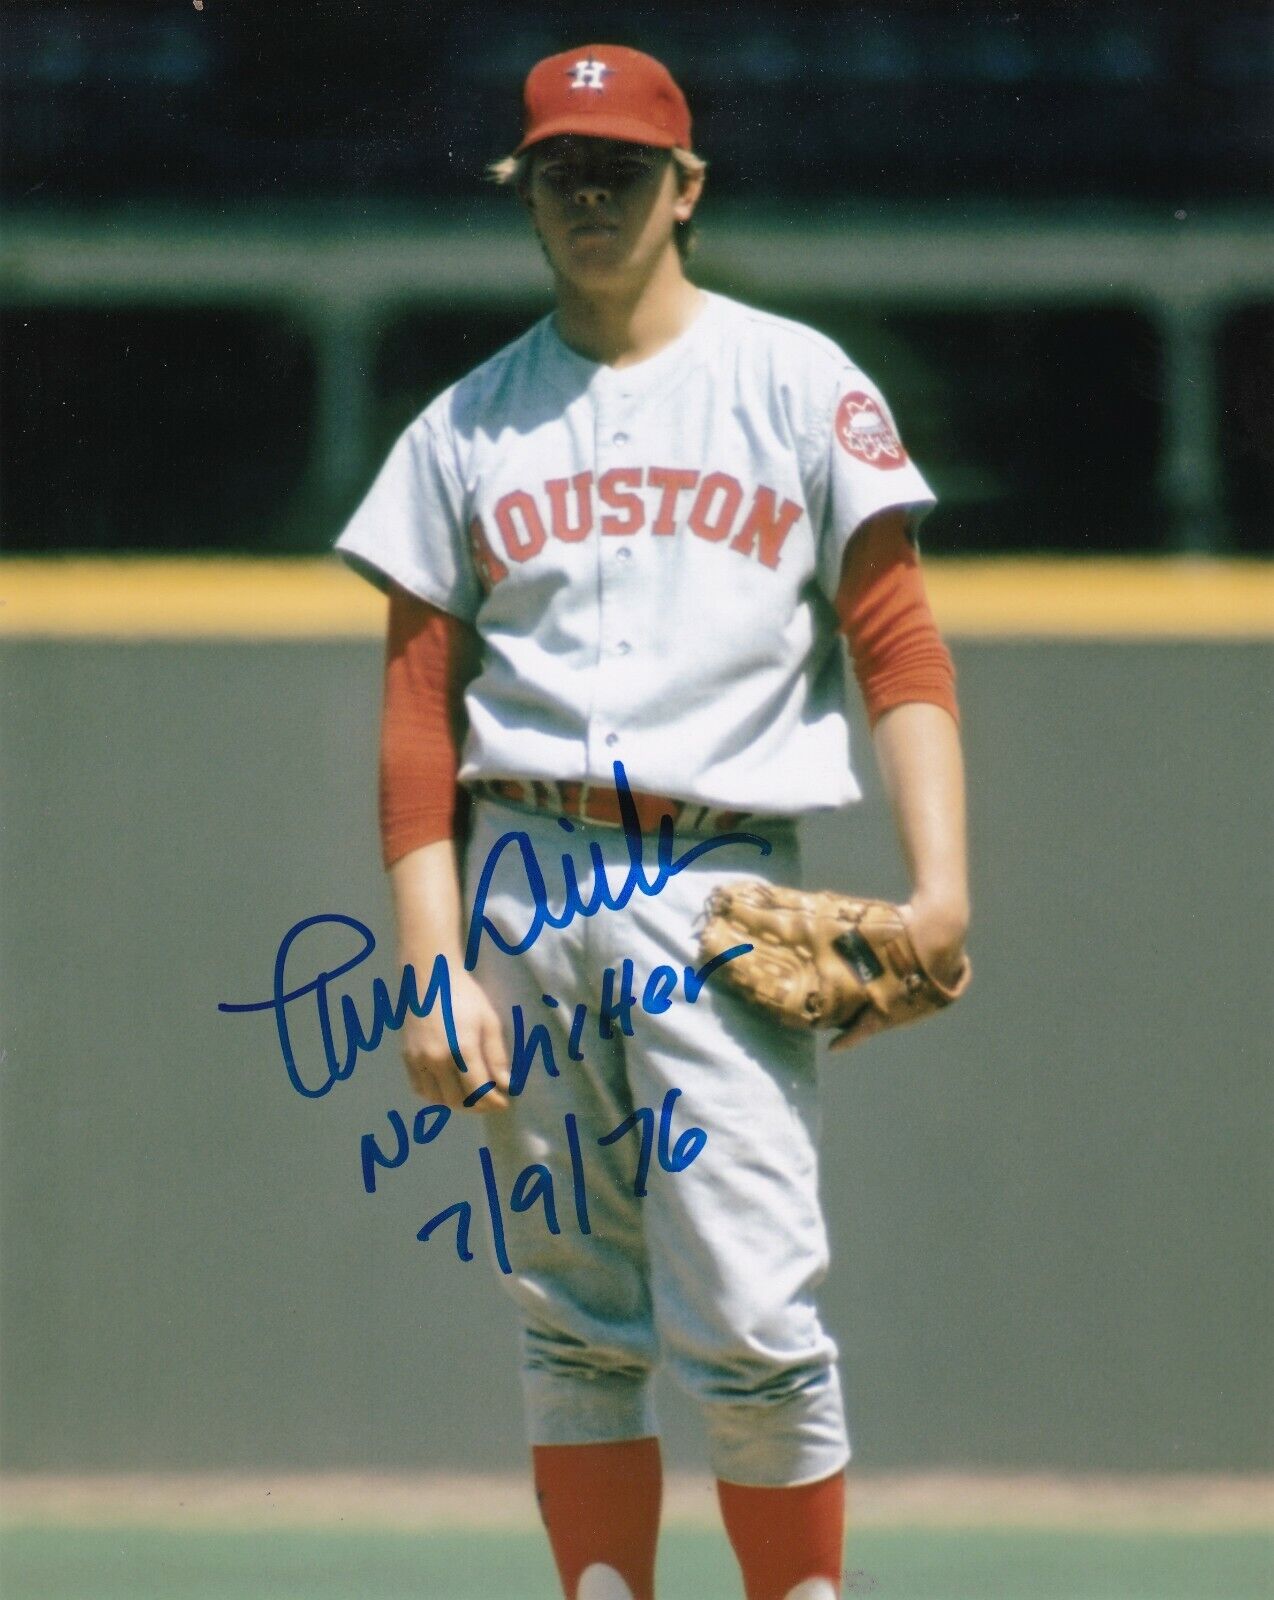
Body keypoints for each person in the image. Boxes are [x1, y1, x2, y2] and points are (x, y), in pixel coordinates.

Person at [335, 43, 969, 1600]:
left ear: (686, 189)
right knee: (572, 1310)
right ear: (525, 191)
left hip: (719, 881)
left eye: (621, 169)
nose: (591, 195)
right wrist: (431, 960)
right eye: (563, 170)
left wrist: (943, 886)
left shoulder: (797, 382)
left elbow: (898, 643)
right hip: (527, 870)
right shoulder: (466, 426)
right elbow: (420, 713)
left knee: (753, 1316)